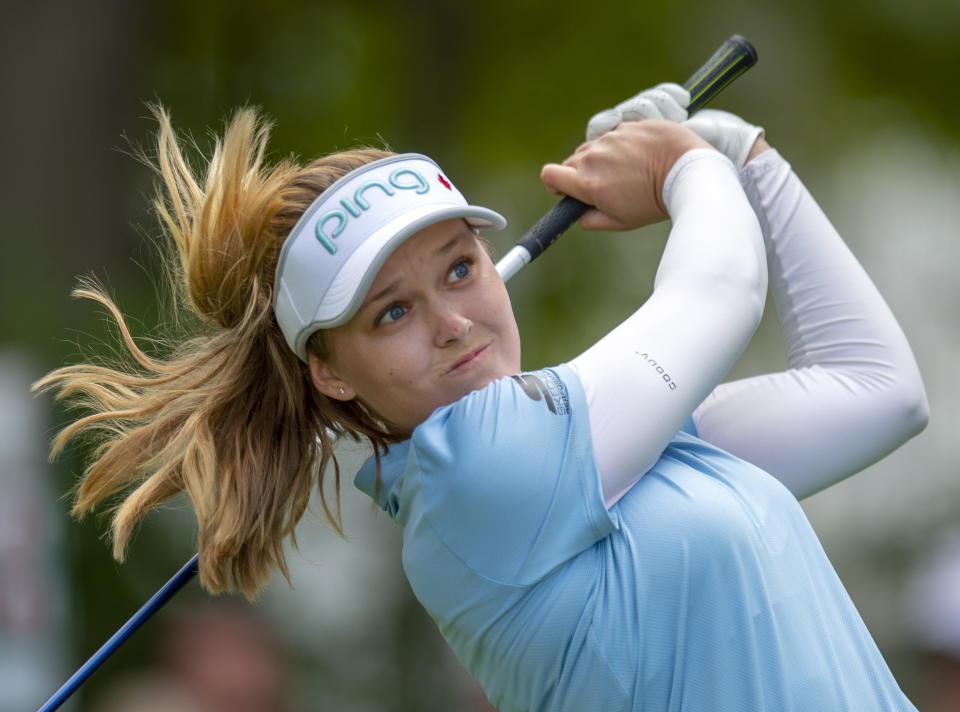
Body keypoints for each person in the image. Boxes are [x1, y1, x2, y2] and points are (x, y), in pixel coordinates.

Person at [35, 82, 929, 711]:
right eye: (392, 312)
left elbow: (877, 392)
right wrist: (689, 165)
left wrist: (745, 154)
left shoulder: (619, 445)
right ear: (332, 372)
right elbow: (720, 292)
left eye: (459, 268)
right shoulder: (476, 475)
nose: (454, 322)